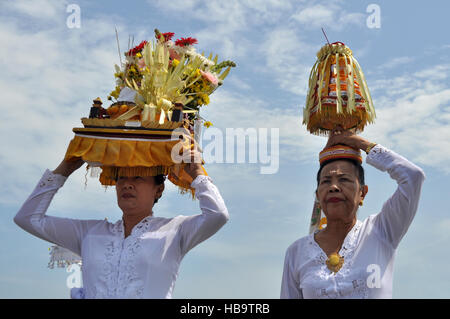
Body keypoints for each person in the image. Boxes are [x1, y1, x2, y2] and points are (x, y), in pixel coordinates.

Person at [14, 147, 229, 299]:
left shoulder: (175, 231)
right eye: (121, 179)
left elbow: (217, 215)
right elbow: (28, 218)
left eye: (138, 178)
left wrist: (197, 173)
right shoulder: (90, 233)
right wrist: (65, 168)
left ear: (158, 189)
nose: (127, 185)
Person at [280, 127, 425, 298]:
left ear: (362, 192)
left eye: (344, 179)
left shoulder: (381, 231)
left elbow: (413, 176)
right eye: (326, 181)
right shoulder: (296, 252)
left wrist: (358, 142)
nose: (334, 187)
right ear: (318, 195)